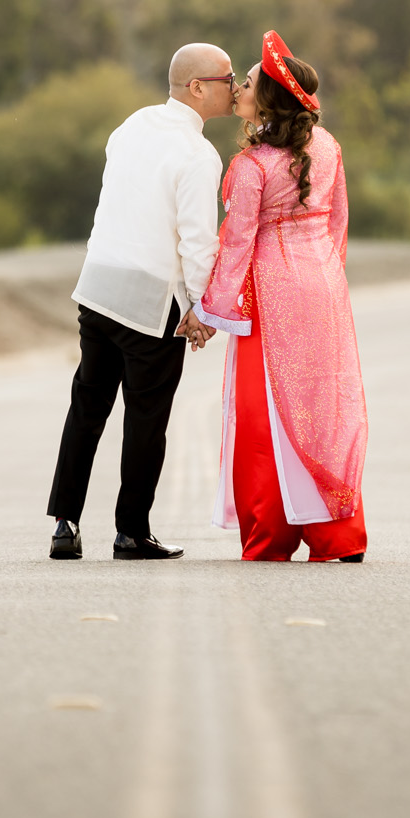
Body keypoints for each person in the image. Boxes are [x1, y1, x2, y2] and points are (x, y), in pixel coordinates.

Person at [45, 43, 236, 561]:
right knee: (146, 418)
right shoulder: (198, 154)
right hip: (150, 300)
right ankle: (131, 531)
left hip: (99, 285)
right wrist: (201, 308)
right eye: (227, 78)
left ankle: (64, 524)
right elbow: (197, 241)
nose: (236, 86)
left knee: (87, 405)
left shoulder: (131, 125)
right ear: (198, 87)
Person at [192, 31, 368, 562]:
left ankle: (271, 533)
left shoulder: (252, 167)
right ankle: (339, 535)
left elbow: (237, 244)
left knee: (265, 410)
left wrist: (210, 311)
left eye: (246, 82)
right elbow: (337, 225)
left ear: (265, 99)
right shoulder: (329, 146)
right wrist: (326, 280)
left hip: (272, 295)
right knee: (321, 406)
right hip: (324, 288)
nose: (238, 88)